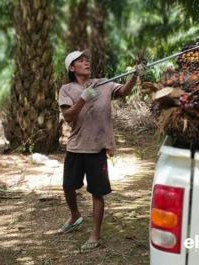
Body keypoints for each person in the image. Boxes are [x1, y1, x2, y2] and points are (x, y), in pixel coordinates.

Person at [57, 50, 145, 252]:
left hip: (97, 148)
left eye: (86, 59)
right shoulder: (67, 89)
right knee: (68, 186)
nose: (86, 61)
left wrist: (134, 76)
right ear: (72, 68)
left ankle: (94, 235)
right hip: (77, 147)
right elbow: (68, 116)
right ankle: (75, 215)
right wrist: (83, 99)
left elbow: (123, 92)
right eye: (80, 60)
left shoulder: (104, 83)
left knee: (97, 192)